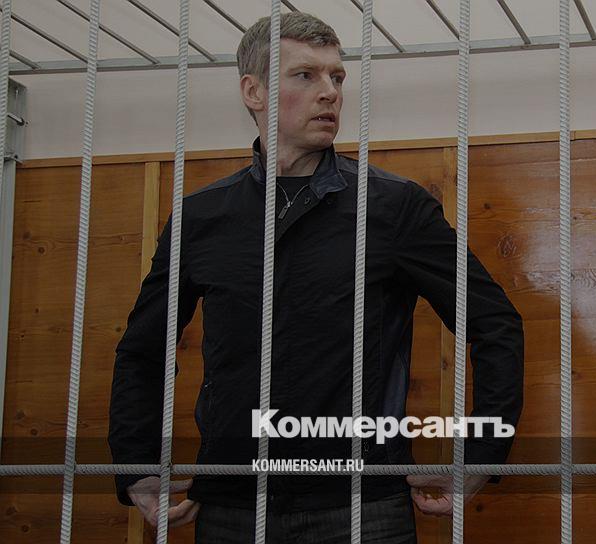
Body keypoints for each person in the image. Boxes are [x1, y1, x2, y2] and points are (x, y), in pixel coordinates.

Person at [108, 12, 525, 543]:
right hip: (234, 501)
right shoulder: (202, 217)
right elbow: (143, 349)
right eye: (305, 75)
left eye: (337, 77)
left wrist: (482, 456)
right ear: (253, 91)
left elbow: (494, 324)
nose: (329, 92)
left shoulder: (393, 207)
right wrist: (136, 466)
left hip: (363, 505)